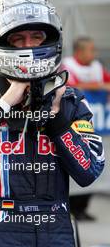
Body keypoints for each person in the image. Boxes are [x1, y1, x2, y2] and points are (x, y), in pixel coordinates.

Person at [0, 0, 105, 247]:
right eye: (18, 38)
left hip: (56, 224)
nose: (29, 45)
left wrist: (57, 118)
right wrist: (4, 104)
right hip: (1, 225)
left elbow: (88, 172)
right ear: (1, 42)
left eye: (37, 37)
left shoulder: (70, 100)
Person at [62, 37, 110, 221]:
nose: (94, 54)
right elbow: (73, 87)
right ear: (79, 52)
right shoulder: (67, 66)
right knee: (76, 162)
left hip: (97, 125)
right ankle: (71, 207)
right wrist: (99, 87)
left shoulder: (97, 67)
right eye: (90, 50)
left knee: (94, 162)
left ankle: (82, 208)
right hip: (74, 125)